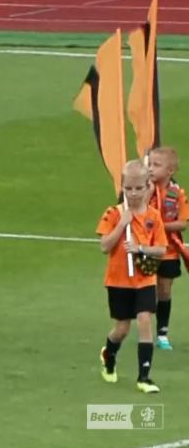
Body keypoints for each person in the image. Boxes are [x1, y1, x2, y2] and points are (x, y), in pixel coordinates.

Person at [97, 160, 167, 393]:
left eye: (139, 188)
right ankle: (109, 355)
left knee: (145, 320)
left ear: (147, 186)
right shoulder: (114, 213)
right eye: (129, 188)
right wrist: (121, 226)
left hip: (145, 280)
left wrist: (140, 248)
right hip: (118, 281)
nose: (134, 193)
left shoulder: (154, 217)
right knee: (122, 329)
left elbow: (161, 249)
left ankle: (144, 377)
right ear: (122, 188)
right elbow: (105, 246)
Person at [147, 146, 189, 350]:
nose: (151, 169)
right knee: (146, 290)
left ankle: (162, 333)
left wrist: (158, 226)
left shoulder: (177, 193)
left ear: (170, 171)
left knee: (164, 291)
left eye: (156, 165)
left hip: (169, 252)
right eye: (150, 164)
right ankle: (144, 328)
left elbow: (182, 223)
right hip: (146, 250)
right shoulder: (145, 189)